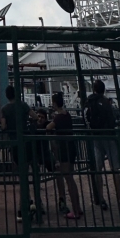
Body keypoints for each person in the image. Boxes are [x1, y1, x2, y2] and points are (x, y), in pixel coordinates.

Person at [85, 80, 120, 212]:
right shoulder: (107, 103)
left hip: (96, 137)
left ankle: (101, 198)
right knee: (115, 169)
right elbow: (113, 118)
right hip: (109, 136)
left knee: (98, 169)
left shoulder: (89, 102)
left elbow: (85, 117)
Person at [1, 85, 35, 221]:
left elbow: (3, 126)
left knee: (22, 176)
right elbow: (34, 116)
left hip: (14, 144)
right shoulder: (23, 105)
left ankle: (23, 207)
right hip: (26, 141)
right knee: (30, 173)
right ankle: (31, 202)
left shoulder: (4, 109)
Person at [47, 92, 82, 220]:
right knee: (70, 177)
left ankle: (76, 211)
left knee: (68, 178)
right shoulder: (67, 115)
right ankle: (77, 208)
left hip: (64, 148)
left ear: (55, 103)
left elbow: (48, 127)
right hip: (71, 147)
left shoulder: (58, 117)